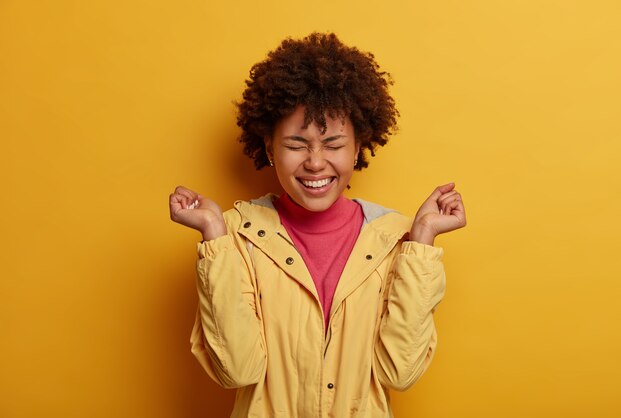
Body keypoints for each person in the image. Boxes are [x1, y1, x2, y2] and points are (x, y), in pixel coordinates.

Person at [169, 32, 466, 418]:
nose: (314, 162)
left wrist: (422, 241)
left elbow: (399, 373)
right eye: (296, 144)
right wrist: (213, 235)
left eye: (333, 144)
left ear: (359, 146)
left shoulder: (396, 238)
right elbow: (237, 370)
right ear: (269, 147)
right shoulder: (234, 236)